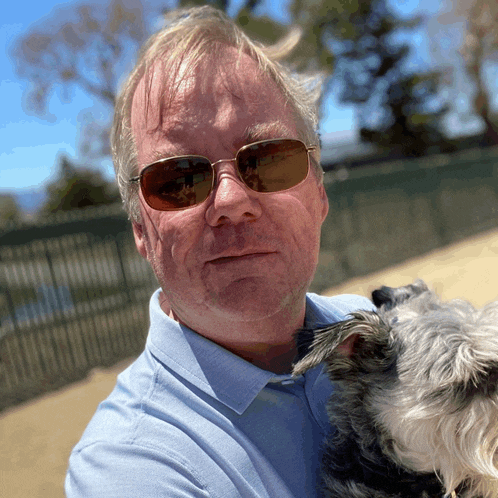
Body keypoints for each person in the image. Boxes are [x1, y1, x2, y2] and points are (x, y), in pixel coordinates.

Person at [65, 6, 372, 497]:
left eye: (270, 160)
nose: (231, 201)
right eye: (178, 179)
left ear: (319, 192)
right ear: (141, 229)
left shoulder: (375, 336)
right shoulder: (129, 468)